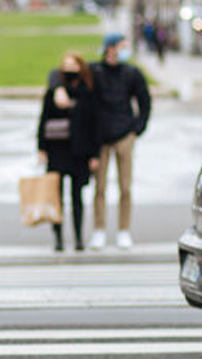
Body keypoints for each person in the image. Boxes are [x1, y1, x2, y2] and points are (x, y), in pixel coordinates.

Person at [89, 32, 151, 250]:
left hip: (125, 134)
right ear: (110, 48)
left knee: (126, 186)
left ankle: (124, 230)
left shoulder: (132, 73)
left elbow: (144, 101)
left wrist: (137, 129)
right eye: (122, 46)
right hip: (101, 137)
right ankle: (99, 229)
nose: (125, 50)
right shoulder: (94, 71)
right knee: (100, 187)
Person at [37, 51, 100, 252]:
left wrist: (94, 154)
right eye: (66, 65)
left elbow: (94, 125)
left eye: (74, 65)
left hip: (79, 151)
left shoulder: (88, 91)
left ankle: (79, 237)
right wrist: (41, 148)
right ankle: (58, 238)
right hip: (57, 150)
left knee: (77, 197)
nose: (70, 69)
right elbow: (43, 120)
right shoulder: (55, 90)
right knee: (57, 197)